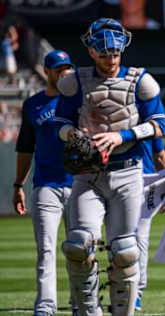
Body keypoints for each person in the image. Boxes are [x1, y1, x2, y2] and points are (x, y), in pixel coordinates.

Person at [55, 18, 165, 316]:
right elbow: (59, 122)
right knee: (78, 244)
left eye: (115, 54)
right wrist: (73, 134)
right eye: (104, 55)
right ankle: (88, 310)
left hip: (128, 170)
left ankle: (124, 311)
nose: (111, 60)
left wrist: (123, 135)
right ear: (92, 52)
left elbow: (160, 125)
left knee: (125, 250)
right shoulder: (73, 81)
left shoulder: (141, 81)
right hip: (88, 174)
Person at [13, 49, 74, 316]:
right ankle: (46, 307)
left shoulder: (78, 101)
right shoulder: (33, 104)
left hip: (79, 184)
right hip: (46, 185)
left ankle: (80, 303)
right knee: (46, 250)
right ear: (47, 72)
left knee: (81, 249)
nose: (64, 72)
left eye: (67, 68)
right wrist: (18, 186)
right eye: (59, 68)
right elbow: (25, 148)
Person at [135, 138, 165, 311]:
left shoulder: (147, 120)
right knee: (117, 238)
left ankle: (136, 292)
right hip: (114, 181)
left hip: (145, 183)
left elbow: (160, 155)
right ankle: (120, 288)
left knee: (140, 238)